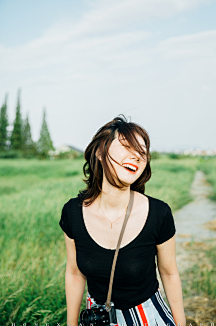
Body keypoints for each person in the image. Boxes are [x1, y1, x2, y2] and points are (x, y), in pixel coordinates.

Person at [59, 115, 186, 326]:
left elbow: (169, 273)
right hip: (98, 319)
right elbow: (74, 273)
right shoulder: (73, 212)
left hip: (147, 317)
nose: (137, 156)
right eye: (127, 146)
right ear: (100, 151)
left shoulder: (158, 213)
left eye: (142, 152)